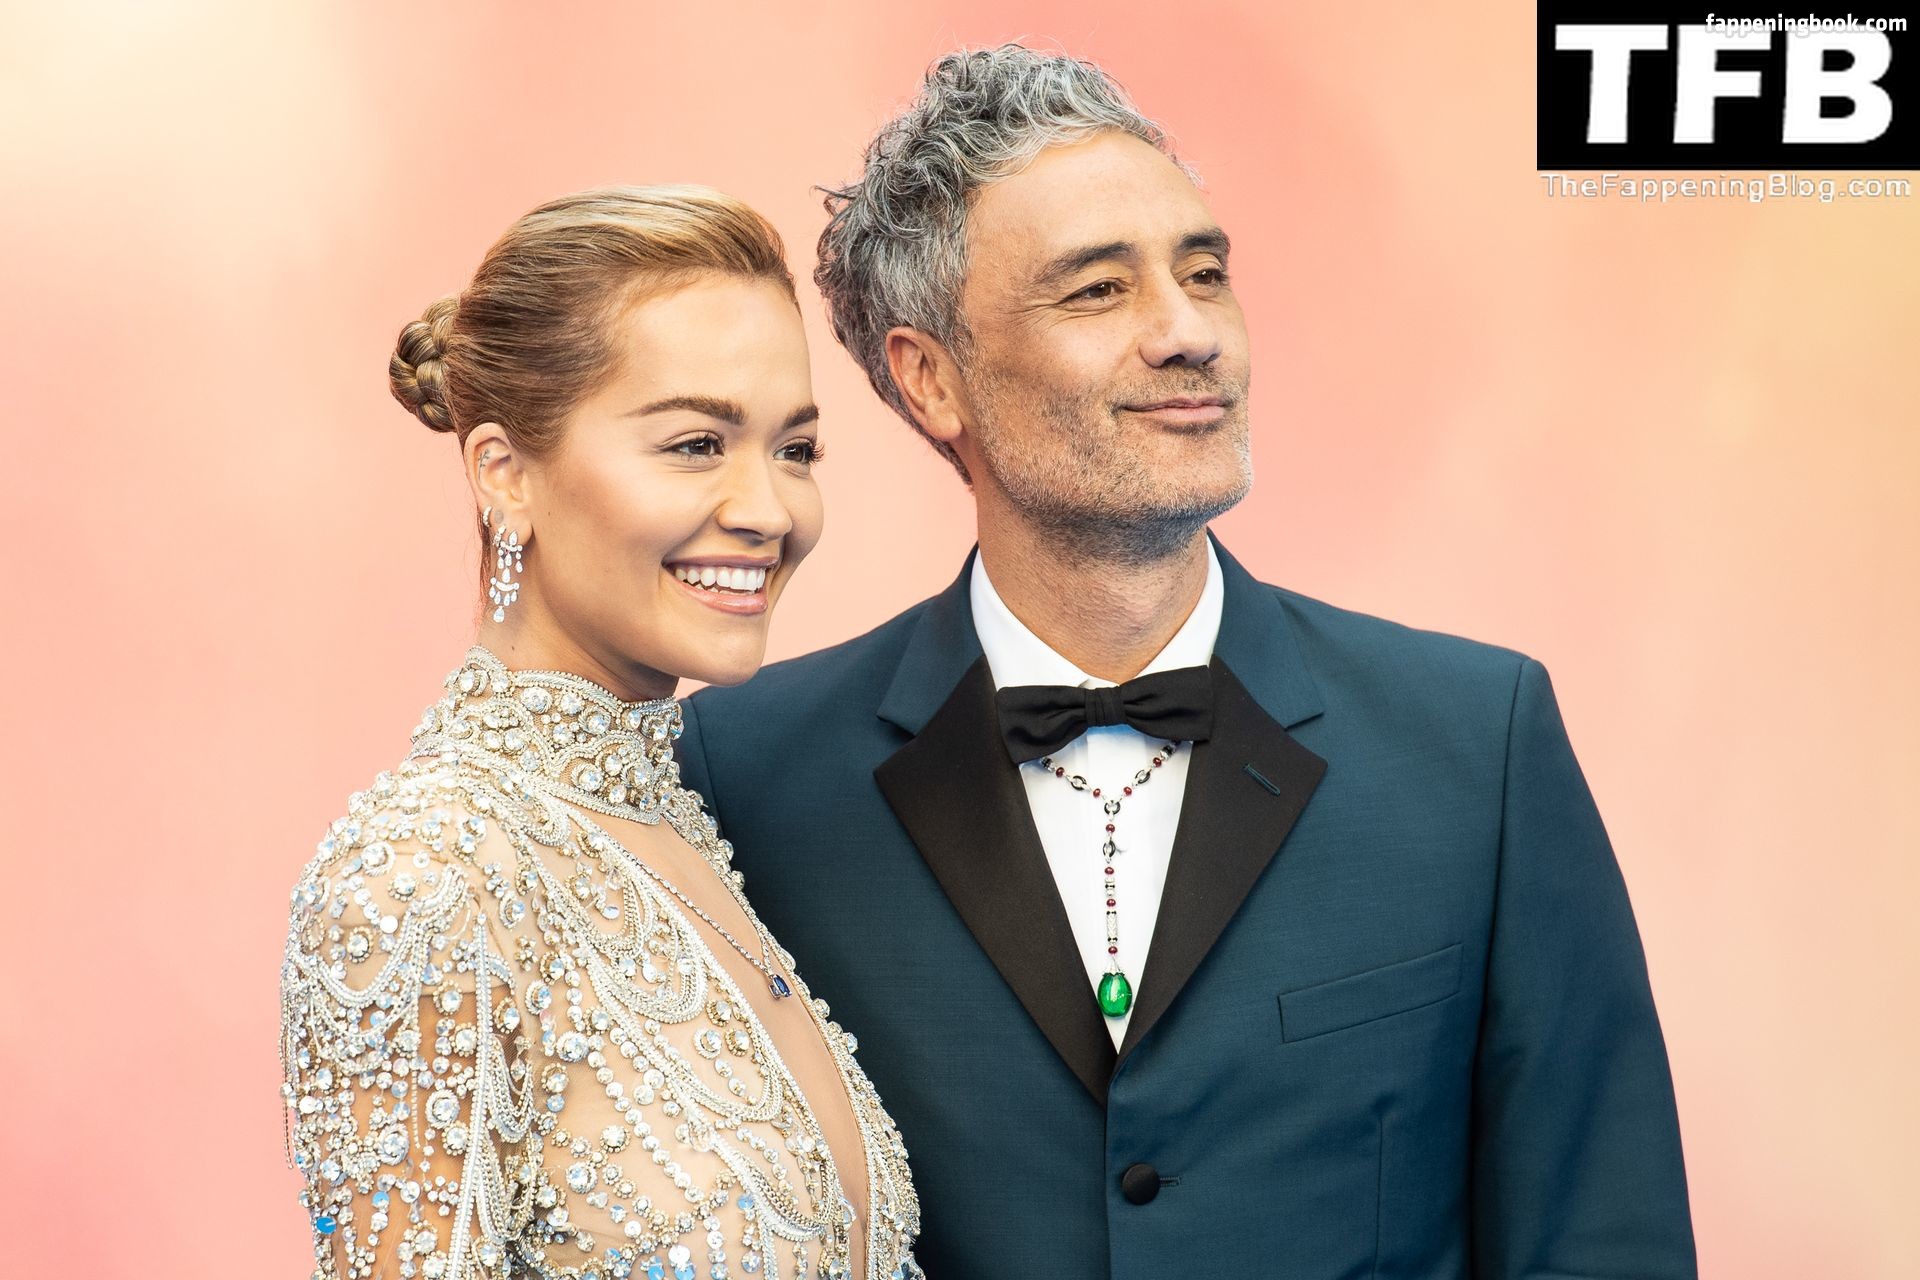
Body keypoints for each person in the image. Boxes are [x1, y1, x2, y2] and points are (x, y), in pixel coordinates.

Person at [676, 46, 1697, 1280]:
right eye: (1098, 290)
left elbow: (1604, 1240)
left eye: (1204, 273)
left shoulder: (1481, 743)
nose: (1188, 333)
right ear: (931, 377)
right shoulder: (744, 774)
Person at [278, 186, 921, 1280]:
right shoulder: (426, 871)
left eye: (797, 448)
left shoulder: (681, 821)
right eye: (696, 443)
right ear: (505, 472)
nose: (769, 509)